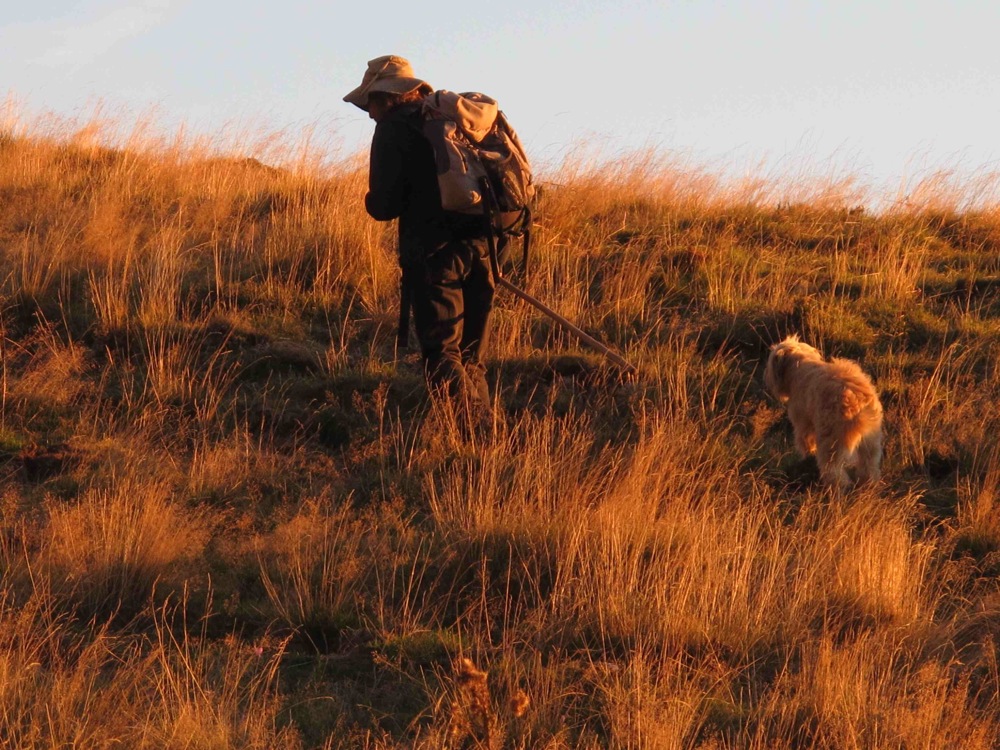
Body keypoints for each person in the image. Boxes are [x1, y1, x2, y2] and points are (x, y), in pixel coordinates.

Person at [344, 55, 495, 420]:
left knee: (442, 353)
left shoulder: (394, 127)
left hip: (434, 255)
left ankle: (473, 433)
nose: (369, 114)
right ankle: (486, 433)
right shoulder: (448, 119)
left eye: (370, 104)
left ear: (384, 97)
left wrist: (370, 200)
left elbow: (385, 205)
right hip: (485, 248)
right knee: (471, 357)